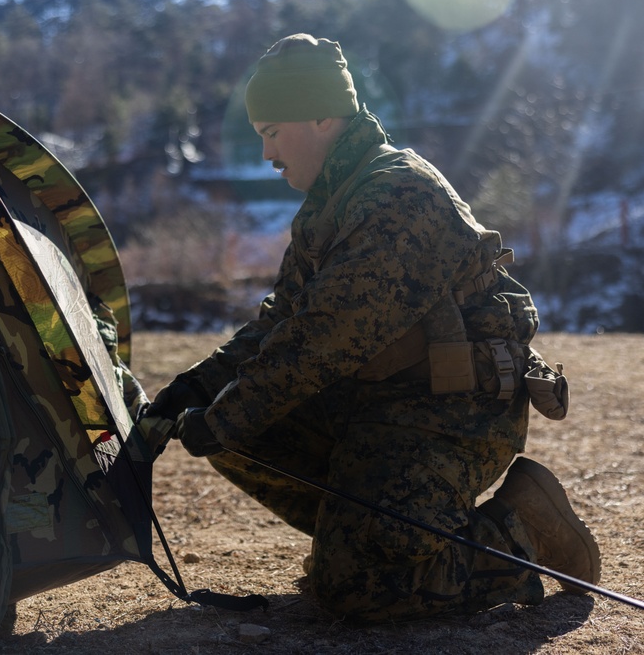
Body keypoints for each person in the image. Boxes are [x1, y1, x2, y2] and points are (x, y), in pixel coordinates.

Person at [137, 33, 601, 622]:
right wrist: (197, 388)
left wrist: (225, 414)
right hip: (380, 404)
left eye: (273, 131)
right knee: (241, 425)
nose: (266, 154)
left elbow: (321, 342)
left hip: (449, 413)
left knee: (359, 589)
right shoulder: (332, 202)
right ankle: (368, 534)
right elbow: (284, 321)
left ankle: (522, 532)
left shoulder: (397, 195)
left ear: (323, 117)